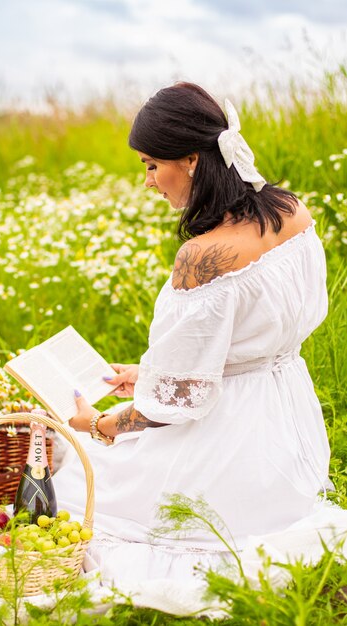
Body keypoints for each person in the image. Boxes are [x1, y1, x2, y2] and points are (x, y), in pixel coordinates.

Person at [53, 82, 334, 587]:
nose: (148, 181)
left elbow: (178, 406)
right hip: (287, 428)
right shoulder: (293, 211)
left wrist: (101, 426)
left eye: (150, 165)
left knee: (73, 476)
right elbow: (251, 341)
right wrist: (150, 374)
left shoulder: (203, 257)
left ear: (192, 161)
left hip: (227, 445)